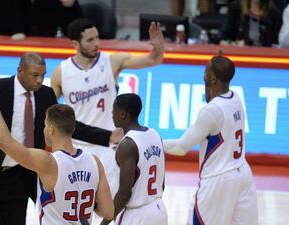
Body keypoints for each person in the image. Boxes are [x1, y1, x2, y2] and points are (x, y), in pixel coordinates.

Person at [0, 52, 120, 225]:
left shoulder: (46, 95)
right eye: (35, 75)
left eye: (43, 75)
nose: (40, 81)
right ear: (20, 71)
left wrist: (107, 136)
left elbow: (67, 127)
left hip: (18, 178)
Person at [50, 19, 164, 218]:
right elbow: (51, 113)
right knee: (77, 214)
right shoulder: (61, 72)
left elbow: (153, 60)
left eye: (97, 37)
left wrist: (159, 45)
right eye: (90, 40)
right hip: (77, 148)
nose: (97, 43)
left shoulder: (111, 61)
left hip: (109, 149)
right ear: (75, 44)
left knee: (111, 210)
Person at [0, 69, 114, 224]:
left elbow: (3, 141)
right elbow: (108, 212)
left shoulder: (47, 162)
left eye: (45, 125)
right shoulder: (95, 162)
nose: (43, 129)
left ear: (51, 129)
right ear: (73, 128)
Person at [163, 50, 258, 225]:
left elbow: (181, 147)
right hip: (242, 173)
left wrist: (154, 143)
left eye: (206, 69)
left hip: (218, 179)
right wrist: (217, 63)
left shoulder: (212, 111)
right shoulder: (236, 98)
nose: (203, 73)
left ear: (213, 78)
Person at [100, 94, 167, 225]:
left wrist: (103, 223)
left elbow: (125, 193)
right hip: (159, 210)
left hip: (137, 215)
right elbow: (162, 182)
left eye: (114, 110)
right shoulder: (155, 134)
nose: (112, 114)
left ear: (123, 114)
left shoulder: (127, 145)